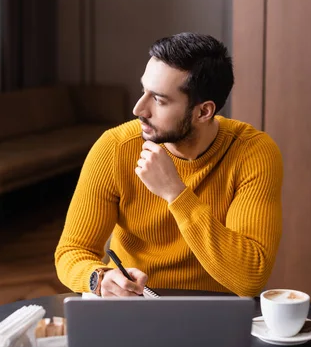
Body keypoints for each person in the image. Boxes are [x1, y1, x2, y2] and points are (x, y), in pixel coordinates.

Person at [55, 33, 283, 298]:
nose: (139, 109)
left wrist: (176, 193)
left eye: (160, 100)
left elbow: (249, 279)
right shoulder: (116, 147)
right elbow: (71, 251)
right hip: (135, 307)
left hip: (216, 312)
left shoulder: (252, 152)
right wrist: (99, 279)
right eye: (144, 91)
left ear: (203, 112)